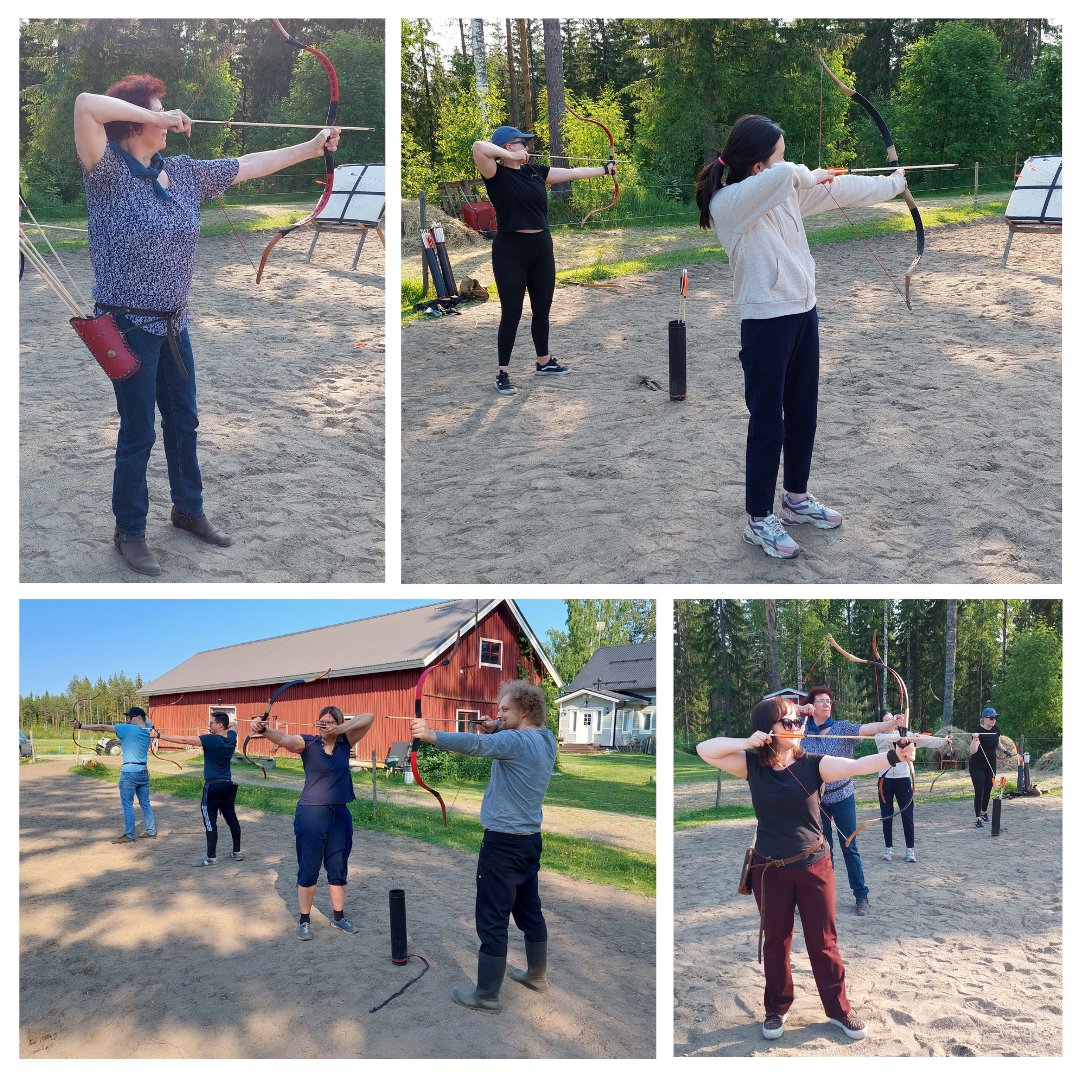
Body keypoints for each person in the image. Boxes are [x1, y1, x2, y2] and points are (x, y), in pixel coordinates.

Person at [74, 75, 342, 576]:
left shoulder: (184, 173)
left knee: (184, 421)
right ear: (136, 120)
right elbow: (86, 105)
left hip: (175, 323)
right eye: (157, 111)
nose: (169, 120)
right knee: (138, 431)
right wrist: (160, 116)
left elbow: (249, 165)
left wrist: (311, 148)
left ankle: (187, 510)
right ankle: (129, 530)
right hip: (127, 325)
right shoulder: (106, 172)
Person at [695, 114, 915, 558]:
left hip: (803, 314)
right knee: (767, 424)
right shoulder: (730, 203)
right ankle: (759, 519)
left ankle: (796, 498)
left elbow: (839, 190)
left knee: (803, 413)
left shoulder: (780, 189)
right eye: (779, 153)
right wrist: (804, 174)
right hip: (765, 324)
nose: (789, 161)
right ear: (759, 167)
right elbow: (792, 176)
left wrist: (894, 184)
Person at [696, 695, 916, 1041]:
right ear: (768, 729)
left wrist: (894, 755)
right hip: (769, 870)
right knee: (776, 941)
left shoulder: (814, 763)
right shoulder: (751, 765)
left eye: (799, 721)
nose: (798, 726)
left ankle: (839, 1009)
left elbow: (855, 767)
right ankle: (776, 1008)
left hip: (814, 866)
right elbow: (704, 749)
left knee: (824, 940)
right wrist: (747, 742)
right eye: (789, 722)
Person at [410, 679, 557, 1011]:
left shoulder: (516, 741)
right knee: (529, 909)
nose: (499, 714)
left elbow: (475, 746)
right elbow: (508, 740)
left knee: (492, 917)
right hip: (529, 842)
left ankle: (486, 994)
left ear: (526, 710)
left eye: (505, 709)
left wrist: (432, 735)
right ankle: (537, 976)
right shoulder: (546, 740)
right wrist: (496, 726)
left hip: (502, 845)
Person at [472, 125, 616, 395]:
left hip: (541, 248)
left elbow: (573, 173)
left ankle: (544, 361)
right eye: (520, 143)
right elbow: (478, 147)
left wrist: (604, 170)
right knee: (512, 312)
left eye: (525, 144)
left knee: (542, 308)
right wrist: (510, 157)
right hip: (510, 251)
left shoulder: (535, 172)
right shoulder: (495, 174)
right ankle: (502, 373)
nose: (526, 148)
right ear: (507, 148)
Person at [250, 704, 373, 939]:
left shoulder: (345, 743)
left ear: (337, 723)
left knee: (338, 867)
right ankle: (304, 921)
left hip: (339, 816)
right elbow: (285, 738)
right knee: (309, 868)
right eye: (321, 721)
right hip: (311, 815)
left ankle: (339, 917)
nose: (324, 725)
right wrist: (264, 730)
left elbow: (368, 716)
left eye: (329, 721)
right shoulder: (307, 743)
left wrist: (340, 729)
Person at [798, 686, 899, 915]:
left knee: (849, 846)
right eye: (821, 700)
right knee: (823, 849)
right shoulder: (802, 732)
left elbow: (865, 729)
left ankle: (861, 895)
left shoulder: (842, 728)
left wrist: (887, 725)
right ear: (811, 705)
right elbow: (774, 714)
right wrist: (800, 710)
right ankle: (823, 896)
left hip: (843, 796)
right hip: (818, 800)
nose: (827, 704)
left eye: (829, 701)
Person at [152, 709, 243, 866]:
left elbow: (183, 740)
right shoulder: (231, 738)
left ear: (220, 725)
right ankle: (237, 851)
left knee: (210, 821)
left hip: (213, 787)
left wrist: (158, 735)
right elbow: (234, 725)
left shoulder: (210, 740)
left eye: (212, 723)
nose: (209, 726)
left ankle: (211, 857)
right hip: (228, 785)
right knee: (231, 817)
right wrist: (227, 725)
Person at [872, 711, 950, 863]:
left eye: (893, 720)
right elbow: (895, 739)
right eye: (888, 721)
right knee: (886, 815)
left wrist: (943, 740)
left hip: (903, 779)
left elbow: (924, 740)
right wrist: (905, 736)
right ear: (881, 724)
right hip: (885, 780)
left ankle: (910, 850)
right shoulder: (879, 736)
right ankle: (888, 848)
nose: (892, 723)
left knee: (907, 814)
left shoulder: (904, 734)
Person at [73, 705, 158, 842]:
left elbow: (103, 727)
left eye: (129, 717)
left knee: (127, 805)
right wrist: (143, 718)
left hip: (129, 773)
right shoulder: (149, 729)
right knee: (145, 803)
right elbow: (148, 719)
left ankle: (130, 835)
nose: (127, 720)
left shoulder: (128, 728)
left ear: (137, 718)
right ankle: (151, 830)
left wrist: (80, 725)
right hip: (143, 772)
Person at [969, 707, 1004, 829]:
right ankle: (977, 818)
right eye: (991, 718)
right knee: (980, 791)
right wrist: (974, 738)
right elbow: (973, 751)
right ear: (984, 719)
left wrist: (1006, 751)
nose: (994, 720)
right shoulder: (978, 732)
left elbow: (997, 743)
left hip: (990, 765)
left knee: (988, 789)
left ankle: (984, 812)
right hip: (977, 766)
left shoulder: (996, 730)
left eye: (995, 718)